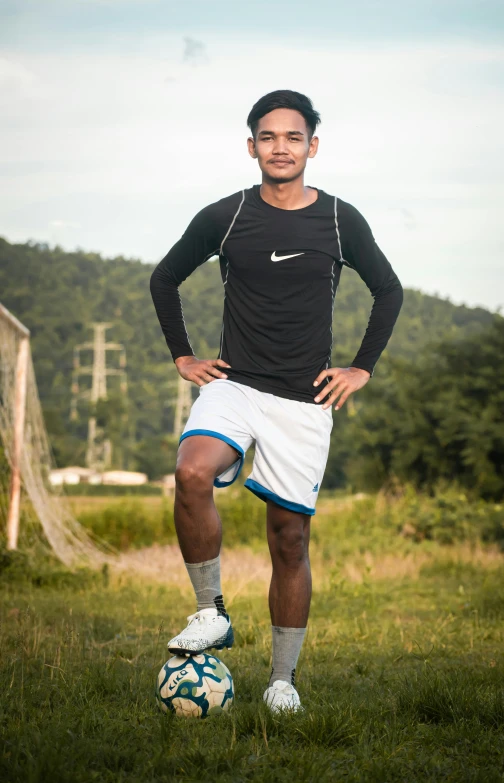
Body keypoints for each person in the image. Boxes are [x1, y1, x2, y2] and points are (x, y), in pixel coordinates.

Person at [150, 89, 403, 712]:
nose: (280, 147)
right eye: (268, 137)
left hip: (304, 402)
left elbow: (388, 290)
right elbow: (165, 277)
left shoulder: (341, 220)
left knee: (289, 540)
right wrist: (183, 356)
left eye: (293, 137)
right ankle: (210, 613)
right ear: (251, 147)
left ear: (312, 147)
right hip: (234, 386)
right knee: (190, 471)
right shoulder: (226, 216)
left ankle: (282, 680)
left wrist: (361, 368)